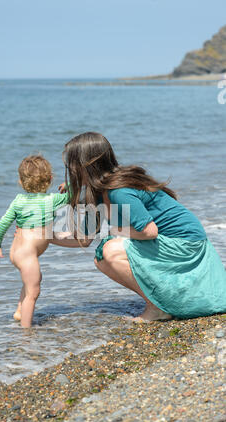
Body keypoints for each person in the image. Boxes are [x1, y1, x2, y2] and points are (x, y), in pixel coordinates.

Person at [53, 132, 226, 322]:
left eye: (72, 164)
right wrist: (42, 235)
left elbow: (149, 232)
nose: (69, 169)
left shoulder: (119, 191)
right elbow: (84, 239)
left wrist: (112, 231)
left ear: (87, 165)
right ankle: (160, 303)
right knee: (101, 258)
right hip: (168, 243)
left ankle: (157, 308)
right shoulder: (95, 194)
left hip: (188, 244)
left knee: (110, 249)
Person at [0, 154, 71, 328]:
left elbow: (4, 222)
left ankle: (20, 312)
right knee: (33, 292)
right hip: (27, 255)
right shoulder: (52, 199)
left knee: (34, 280)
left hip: (16, 251)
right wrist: (69, 185)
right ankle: (26, 333)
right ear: (50, 179)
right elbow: (74, 195)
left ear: (21, 181)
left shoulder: (18, 201)